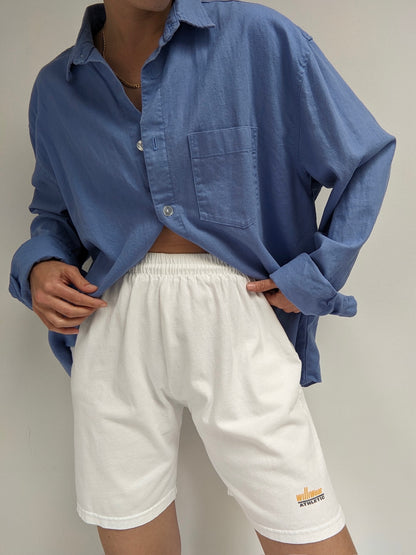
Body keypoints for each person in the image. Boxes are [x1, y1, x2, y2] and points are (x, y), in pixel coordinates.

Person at [9, 0, 395, 553]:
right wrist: (41, 263)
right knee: (131, 534)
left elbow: (365, 155)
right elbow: (53, 211)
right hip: (112, 324)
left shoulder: (258, 39)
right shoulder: (57, 89)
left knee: (305, 527)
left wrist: (316, 274)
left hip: (239, 314)